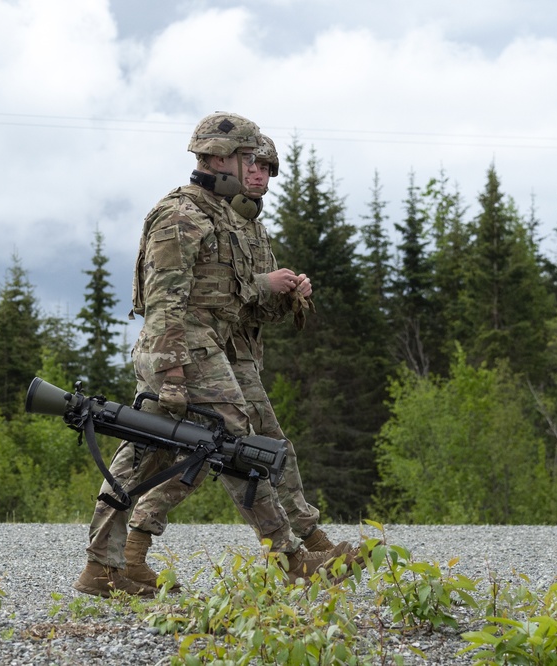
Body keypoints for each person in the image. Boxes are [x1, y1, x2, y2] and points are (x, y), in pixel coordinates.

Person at [73, 112, 355, 598]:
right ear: (220, 158)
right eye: (248, 158)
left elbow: (234, 295)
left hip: (195, 348)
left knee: (148, 454)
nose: (253, 170)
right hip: (184, 348)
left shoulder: (218, 214)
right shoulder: (182, 215)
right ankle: (290, 559)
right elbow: (164, 303)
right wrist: (174, 372)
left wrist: (282, 292)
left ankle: (107, 565)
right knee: (235, 445)